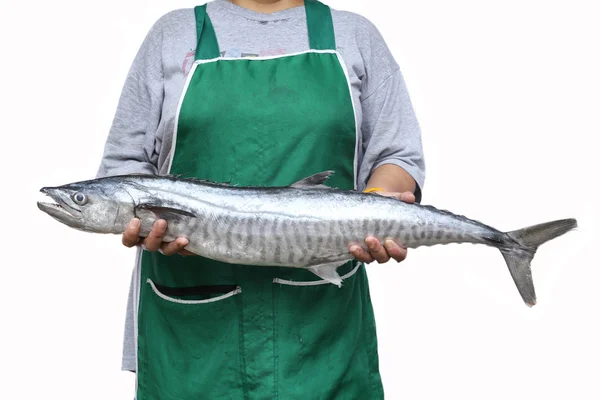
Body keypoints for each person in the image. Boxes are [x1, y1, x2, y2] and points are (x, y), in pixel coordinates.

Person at [97, 0, 425, 398]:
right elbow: (124, 166)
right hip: (193, 329)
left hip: (321, 326)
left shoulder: (354, 36)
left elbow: (397, 154)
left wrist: (373, 212)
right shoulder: (173, 34)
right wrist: (147, 225)